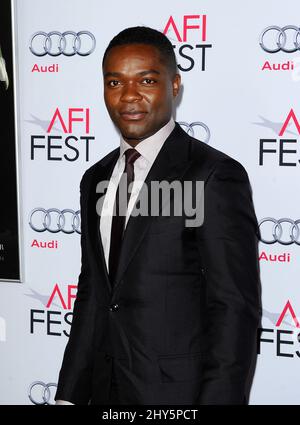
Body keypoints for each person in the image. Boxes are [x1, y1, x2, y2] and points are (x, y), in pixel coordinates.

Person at [55, 26, 261, 405]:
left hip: (178, 396)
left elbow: (234, 310)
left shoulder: (212, 174)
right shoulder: (95, 178)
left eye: (146, 80)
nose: (129, 96)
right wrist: (68, 394)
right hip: (105, 390)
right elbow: (94, 296)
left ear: (175, 85)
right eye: (115, 82)